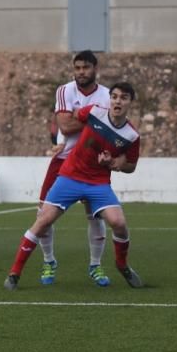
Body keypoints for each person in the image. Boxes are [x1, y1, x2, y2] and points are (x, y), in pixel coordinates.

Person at [5, 82, 143, 291]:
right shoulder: (94, 112)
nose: (117, 101)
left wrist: (115, 163)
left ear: (130, 102)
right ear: (110, 99)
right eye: (114, 96)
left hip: (98, 182)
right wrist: (60, 141)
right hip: (70, 175)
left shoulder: (131, 135)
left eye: (123, 98)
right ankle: (15, 273)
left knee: (119, 223)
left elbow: (130, 166)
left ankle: (121, 264)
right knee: (43, 220)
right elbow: (72, 120)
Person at [35, 50, 111, 287]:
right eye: (77, 68)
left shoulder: (108, 95)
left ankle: (95, 265)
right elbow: (66, 127)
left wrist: (81, 116)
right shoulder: (64, 90)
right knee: (43, 216)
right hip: (63, 159)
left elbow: (109, 128)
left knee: (95, 215)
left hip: (92, 162)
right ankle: (49, 260)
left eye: (85, 68)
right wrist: (93, 117)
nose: (81, 72)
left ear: (95, 68)